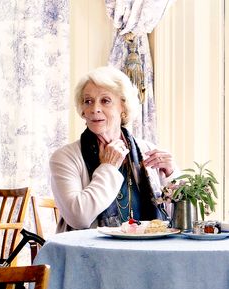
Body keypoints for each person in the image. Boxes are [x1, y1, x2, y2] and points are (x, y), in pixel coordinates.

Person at [50, 66, 179, 232]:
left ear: (123, 107)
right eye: (88, 101)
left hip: (147, 248)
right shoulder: (64, 157)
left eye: (105, 101)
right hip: (91, 253)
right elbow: (78, 217)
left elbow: (175, 219)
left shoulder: (148, 151)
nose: (94, 108)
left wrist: (171, 175)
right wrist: (108, 168)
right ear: (82, 110)